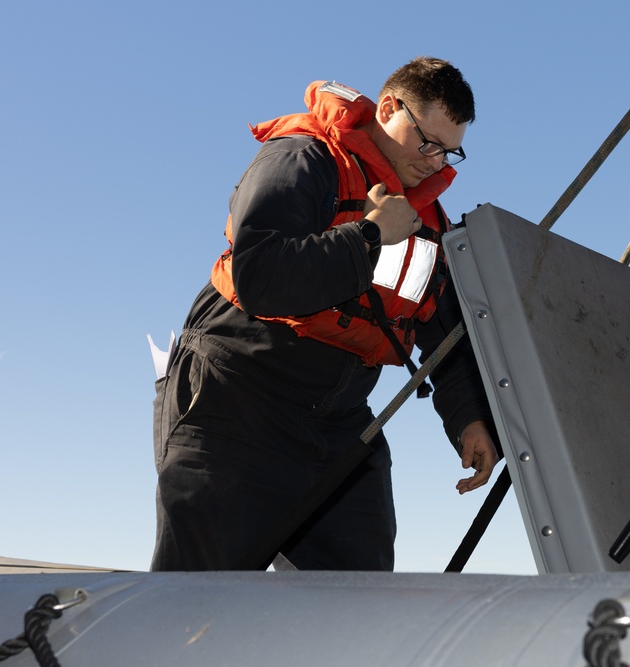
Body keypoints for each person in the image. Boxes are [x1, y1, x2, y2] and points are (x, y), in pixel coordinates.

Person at [151, 57, 500, 572]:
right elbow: (262, 276)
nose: (435, 162)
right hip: (233, 405)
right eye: (427, 142)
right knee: (196, 604)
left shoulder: (428, 224)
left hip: (338, 426)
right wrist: (370, 235)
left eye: (451, 152)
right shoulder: (302, 158)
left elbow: (440, 330)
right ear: (387, 109)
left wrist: (469, 418)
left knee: (359, 604)